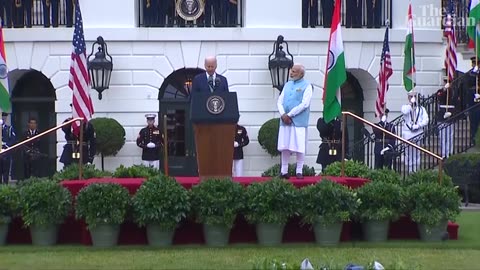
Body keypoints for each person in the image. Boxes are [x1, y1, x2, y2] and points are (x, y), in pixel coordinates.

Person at [277, 64, 313, 179]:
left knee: (299, 146)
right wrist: (283, 114)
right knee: (285, 146)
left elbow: (305, 103)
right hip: (285, 121)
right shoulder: (287, 85)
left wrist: (290, 114)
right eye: (291, 71)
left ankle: (299, 171)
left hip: (298, 122)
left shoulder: (307, 86)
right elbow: (280, 101)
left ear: (301, 74)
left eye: (294, 71)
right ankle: (284, 171)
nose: (291, 73)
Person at [401, 91, 429, 173]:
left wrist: (419, 125)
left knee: (417, 154)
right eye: (410, 96)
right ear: (408, 97)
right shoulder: (405, 107)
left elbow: (426, 120)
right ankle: (410, 171)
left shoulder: (421, 109)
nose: (412, 98)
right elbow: (405, 112)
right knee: (408, 154)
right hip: (408, 134)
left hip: (418, 133)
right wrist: (410, 105)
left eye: (414, 96)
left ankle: (416, 171)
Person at [436, 80, 456, 158]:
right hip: (442, 116)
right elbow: (439, 97)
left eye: (449, 82)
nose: (447, 84)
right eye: (445, 82)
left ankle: (449, 153)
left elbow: (457, 105)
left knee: (450, 136)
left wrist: (452, 113)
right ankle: (443, 154)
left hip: (451, 115)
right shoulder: (441, 91)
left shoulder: (454, 92)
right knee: (443, 137)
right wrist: (444, 89)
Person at [0, 112, 15, 184]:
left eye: (4, 117)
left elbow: (13, 139)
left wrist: (6, 146)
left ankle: (6, 188)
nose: (3, 118)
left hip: (6, 153)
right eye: (2, 117)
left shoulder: (9, 128)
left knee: (6, 173)